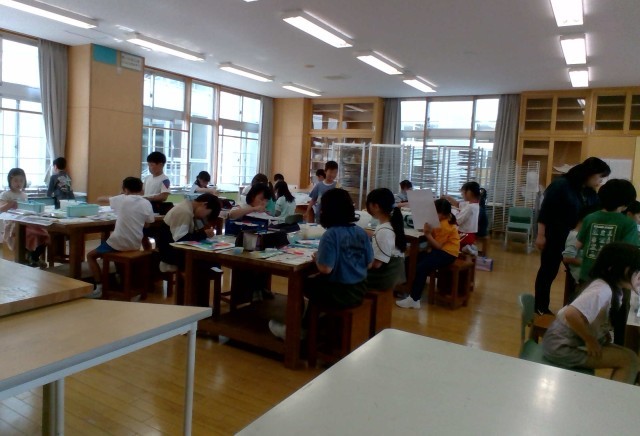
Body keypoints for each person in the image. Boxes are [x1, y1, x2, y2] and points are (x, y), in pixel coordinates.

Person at [268, 188, 373, 339]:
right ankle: (314, 325)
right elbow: (369, 264)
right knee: (318, 284)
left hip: (339, 293)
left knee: (301, 283)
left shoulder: (331, 234)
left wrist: (318, 258)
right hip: (360, 289)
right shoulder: (361, 232)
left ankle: (295, 331)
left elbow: (325, 269)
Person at [542, 242, 640, 384]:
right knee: (628, 361)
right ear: (614, 269)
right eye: (635, 272)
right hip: (561, 346)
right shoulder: (602, 290)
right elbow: (571, 314)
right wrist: (590, 340)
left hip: (570, 340)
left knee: (631, 356)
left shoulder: (612, 288)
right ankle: (614, 397)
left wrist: (601, 333)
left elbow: (594, 317)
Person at [534, 157, 611, 315]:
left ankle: (573, 310)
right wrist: (540, 235)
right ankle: (540, 307)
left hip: (577, 238)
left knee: (575, 274)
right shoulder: (561, 185)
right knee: (548, 272)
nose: (600, 181)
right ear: (590, 173)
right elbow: (545, 212)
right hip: (555, 235)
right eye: (600, 177)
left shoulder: (588, 191)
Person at [87, 177, 155, 298]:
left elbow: (100, 199)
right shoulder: (146, 203)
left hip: (118, 242)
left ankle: (99, 287)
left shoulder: (122, 199)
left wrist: (120, 194)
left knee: (90, 256)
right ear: (141, 189)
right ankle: (126, 283)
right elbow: (148, 224)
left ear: (125, 189)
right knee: (118, 253)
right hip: (135, 243)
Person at [396, 198, 460, 309]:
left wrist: (427, 234)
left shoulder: (445, 225)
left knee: (422, 267)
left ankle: (414, 299)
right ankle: (406, 288)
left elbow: (438, 246)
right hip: (439, 251)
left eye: (436, 213)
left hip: (448, 254)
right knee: (410, 260)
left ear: (444, 214)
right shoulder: (440, 221)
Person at [576, 179, 638, 283]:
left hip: (587, 274)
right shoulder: (629, 224)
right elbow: (629, 253)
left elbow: (578, 245)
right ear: (626, 203)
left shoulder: (589, 218)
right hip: (613, 278)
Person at [156, 193, 221, 272]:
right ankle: (192, 280)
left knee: (213, 261)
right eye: (207, 215)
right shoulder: (184, 211)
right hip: (169, 253)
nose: (204, 217)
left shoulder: (189, 209)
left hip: (174, 250)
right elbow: (181, 240)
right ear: (204, 204)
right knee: (211, 263)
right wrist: (204, 234)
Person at [0, 168, 49, 267]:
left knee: (44, 234)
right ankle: (28, 257)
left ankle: (34, 257)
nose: (19, 183)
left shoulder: (24, 195)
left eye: (21, 181)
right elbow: (1, 209)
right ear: (10, 180)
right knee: (28, 234)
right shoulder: (5, 194)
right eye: (16, 180)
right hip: (12, 222)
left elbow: (27, 209)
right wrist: (10, 204)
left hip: (26, 220)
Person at [365, 188, 406, 290]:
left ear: (376, 206)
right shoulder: (392, 225)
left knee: (346, 274)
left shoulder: (383, 231)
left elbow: (376, 265)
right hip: (392, 275)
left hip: (383, 278)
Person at [443, 181, 480, 251]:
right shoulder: (474, 204)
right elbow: (458, 204)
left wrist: (449, 214)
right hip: (470, 234)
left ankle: (468, 251)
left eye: (462, 193)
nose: (462, 195)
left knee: (450, 243)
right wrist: (448, 197)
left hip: (465, 234)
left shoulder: (470, 207)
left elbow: (458, 221)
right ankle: (469, 250)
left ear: (469, 193)